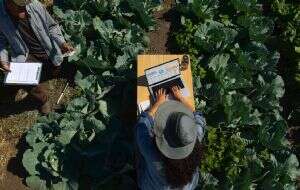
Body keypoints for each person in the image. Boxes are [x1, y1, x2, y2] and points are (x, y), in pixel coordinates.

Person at [0, 0, 73, 114]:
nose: (25, 9)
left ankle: (45, 73)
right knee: (19, 74)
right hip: (25, 55)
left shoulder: (35, 5)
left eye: (25, 5)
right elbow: (1, 42)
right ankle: (42, 100)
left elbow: (52, 26)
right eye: (20, 7)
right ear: (8, 3)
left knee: (68, 67)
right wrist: (3, 60)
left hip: (48, 51)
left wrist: (61, 42)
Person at [135, 86, 207, 190]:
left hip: (150, 186)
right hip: (187, 187)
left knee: (140, 154)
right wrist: (181, 98)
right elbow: (199, 117)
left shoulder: (152, 154)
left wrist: (158, 103)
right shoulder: (194, 137)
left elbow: (141, 126)